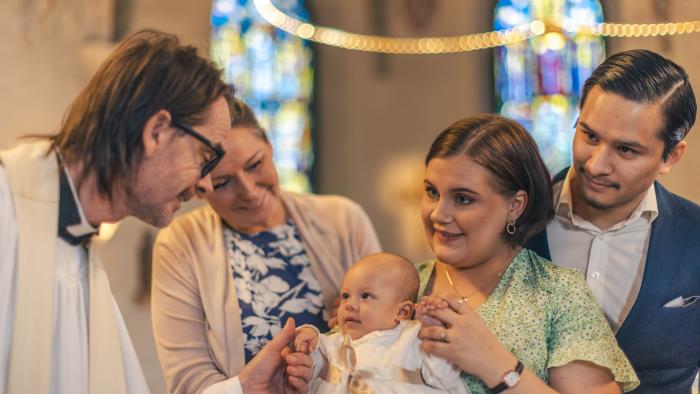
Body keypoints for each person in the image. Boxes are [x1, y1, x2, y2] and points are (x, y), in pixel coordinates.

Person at [0, 29, 310, 394]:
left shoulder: (82, 255)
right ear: (157, 131)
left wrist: (243, 388)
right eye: (205, 158)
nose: (204, 186)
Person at [151, 96, 381, 393]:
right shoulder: (181, 245)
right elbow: (188, 381)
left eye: (255, 164)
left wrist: (358, 325)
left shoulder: (344, 220)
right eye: (222, 183)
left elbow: (393, 328)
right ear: (200, 186)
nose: (248, 191)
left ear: (270, 147)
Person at [412, 114, 639, 394]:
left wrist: (495, 363)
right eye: (432, 192)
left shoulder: (557, 294)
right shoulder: (398, 284)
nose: (438, 213)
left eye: (463, 199)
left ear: (515, 206)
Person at [525, 49, 699, 393]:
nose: (596, 164)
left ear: (671, 156)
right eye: (589, 136)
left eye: (626, 150)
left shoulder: (696, 236)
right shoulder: (514, 221)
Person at [293, 252, 469, 394]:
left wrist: (433, 329)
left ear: (402, 312)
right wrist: (308, 335)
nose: (349, 305)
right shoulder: (336, 343)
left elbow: (444, 377)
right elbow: (308, 365)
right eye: (346, 296)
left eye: (366, 296)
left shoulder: (412, 336)